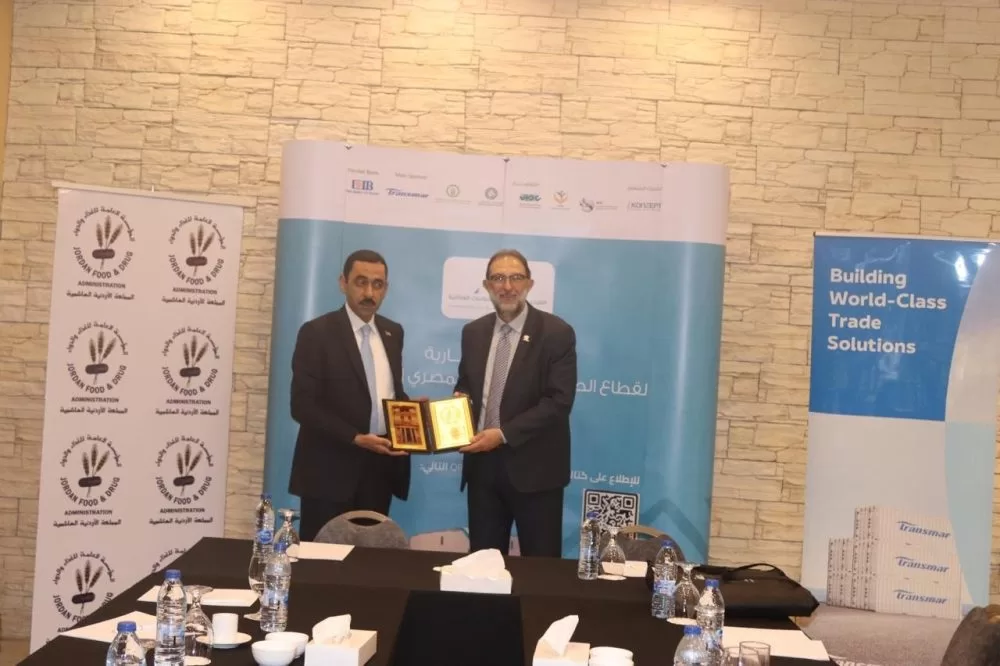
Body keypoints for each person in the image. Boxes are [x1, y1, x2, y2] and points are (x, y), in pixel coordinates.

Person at [455, 249, 578, 557]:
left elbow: (559, 401)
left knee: (540, 569)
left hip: (536, 472)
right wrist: (457, 405)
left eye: (515, 278)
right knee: (482, 565)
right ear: (486, 286)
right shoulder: (473, 332)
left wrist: (502, 434)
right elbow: (466, 384)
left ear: (529, 284)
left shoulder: (556, 333)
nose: (507, 286)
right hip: (482, 470)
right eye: (498, 278)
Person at [288, 249, 410, 542]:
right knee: (322, 560)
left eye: (377, 284)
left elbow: (386, 393)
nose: (369, 293)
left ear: (386, 289)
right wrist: (355, 437)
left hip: (379, 470)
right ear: (343, 283)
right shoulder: (316, 332)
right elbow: (302, 405)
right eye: (361, 282)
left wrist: (409, 409)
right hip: (328, 471)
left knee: (369, 560)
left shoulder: (393, 332)